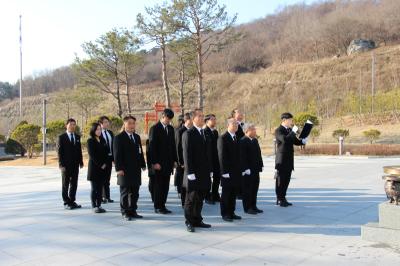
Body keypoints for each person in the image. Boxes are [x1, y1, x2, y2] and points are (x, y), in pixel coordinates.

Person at [182, 109, 213, 232]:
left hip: (203, 173)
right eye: (199, 116)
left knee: (200, 198)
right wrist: (190, 173)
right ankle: (189, 221)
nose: (202, 118)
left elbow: (208, 154)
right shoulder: (188, 134)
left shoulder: (205, 133)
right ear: (193, 118)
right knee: (191, 199)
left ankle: (197, 219)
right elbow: (187, 155)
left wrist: (210, 169)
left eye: (202, 116)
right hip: (193, 173)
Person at [113, 115, 146, 220]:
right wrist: (119, 169)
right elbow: (117, 155)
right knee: (125, 192)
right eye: (129, 123)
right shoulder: (119, 138)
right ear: (125, 124)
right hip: (124, 170)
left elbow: (140, 152)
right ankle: (125, 212)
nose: (132, 125)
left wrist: (143, 164)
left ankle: (133, 210)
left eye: (133, 123)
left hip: (135, 169)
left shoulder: (136, 137)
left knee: (135, 192)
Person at [148, 108, 178, 214]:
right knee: (158, 186)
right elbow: (152, 147)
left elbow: (173, 146)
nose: (169, 120)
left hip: (168, 163)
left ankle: (163, 205)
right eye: (167, 118)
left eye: (170, 119)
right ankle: (157, 206)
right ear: (163, 116)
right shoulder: (154, 129)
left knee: (165, 186)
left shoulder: (170, 129)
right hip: (159, 163)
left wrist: (175, 160)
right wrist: (154, 162)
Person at [275, 112, 307, 207]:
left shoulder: (289, 130)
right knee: (280, 180)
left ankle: (283, 197)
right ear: (284, 120)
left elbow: (294, 141)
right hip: (282, 159)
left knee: (287, 180)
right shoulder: (278, 130)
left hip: (289, 159)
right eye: (290, 120)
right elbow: (285, 140)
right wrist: (293, 132)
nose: (291, 122)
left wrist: (302, 141)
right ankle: (279, 199)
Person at [218, 118, 242, 222]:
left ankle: (232, 212)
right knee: (226, 193)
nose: (236, 125)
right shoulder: (223, 138)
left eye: (237, 124)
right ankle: (225, 213)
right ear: (228, 125)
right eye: (234, 124)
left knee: (233, 193)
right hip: (227, 172)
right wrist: (224, 172)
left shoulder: (236, 137)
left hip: (235, 171)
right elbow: (221, 156)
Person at [57, 118, 83, 210]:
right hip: (65, 165)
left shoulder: (77, 137)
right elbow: (60, 152)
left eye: (74, 124)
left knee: (74, 183)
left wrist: (81, 162)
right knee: (65, 184)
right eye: (71, 124)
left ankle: (72, 201)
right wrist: (61, 165)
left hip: (75, 164)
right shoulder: (62, 137)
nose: (73, 126)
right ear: (66, 125)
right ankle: (66, 202)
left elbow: (79, 150)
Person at [240, 123, 264, 214]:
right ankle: (247, 207)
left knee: (254, 188)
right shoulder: (243, 141)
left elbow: (258, 154)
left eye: (255, 129)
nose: (255, 131)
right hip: (248, 170)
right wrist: (245, 168)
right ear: (247, 131)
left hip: (255, 169)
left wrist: (261, 165)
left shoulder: (254, 140)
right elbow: (242, 157)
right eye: (252, 129)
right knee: (247, 190)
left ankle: (254, 206)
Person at [87, 122, 108, 213]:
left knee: (100, 188)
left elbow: (106, 153)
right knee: (94, 188)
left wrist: (106, 163)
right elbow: (92, 155)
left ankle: (99, 205)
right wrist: (101, 164)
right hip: (94, 168)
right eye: (97, 129)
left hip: (103, 168)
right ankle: (94, 205)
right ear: (93, 130)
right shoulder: (90, 141)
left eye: (100, 129)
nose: (99, 131)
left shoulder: (102, 140)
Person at [174, 113, 193, 207]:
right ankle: (184, 202)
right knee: (183, 184)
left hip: (190, 161)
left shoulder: (192, 131)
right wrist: (180, 162)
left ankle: (189, 201)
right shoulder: (180, 131)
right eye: (192, 119)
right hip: (182, 163)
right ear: (187, 120)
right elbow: (177, 148)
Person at [204, 114, 221, 204]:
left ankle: (215, 194)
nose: (214, 121)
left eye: (215, 119)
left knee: (217, 177)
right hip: (208, 160)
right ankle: (207, 196)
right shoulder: (204, 132)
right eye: (212, 119)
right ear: (207, 121)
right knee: (208, 178)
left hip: (216, 159)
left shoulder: (215, 132)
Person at [98, 116, 115, 203]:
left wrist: (114, 158)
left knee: (107, 179)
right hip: (102, 160)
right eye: (105, 122)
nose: (107, 123)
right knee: (101, 178)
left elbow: (113, 146)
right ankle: (100, 197)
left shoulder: (110, 133)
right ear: (100, 124)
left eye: (107, 122)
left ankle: (107, 196)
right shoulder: (98, 134)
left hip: (109, 158)